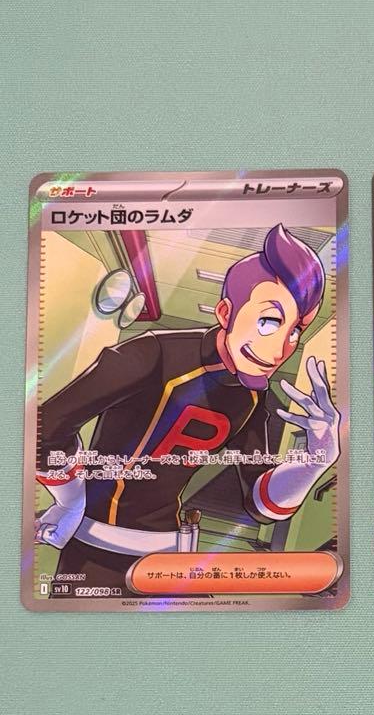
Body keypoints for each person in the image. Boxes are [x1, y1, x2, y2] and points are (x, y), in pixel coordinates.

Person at [35, 224, 341, 593]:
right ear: (226, 312)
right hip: (95, 550)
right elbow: (44, 429)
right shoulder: (154, 353)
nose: (280, 350)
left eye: (295, 331)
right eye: (268, 322)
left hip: (170, 552)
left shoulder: (253, 397)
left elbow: (259, 502)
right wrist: (71, 500)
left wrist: (314, 463)